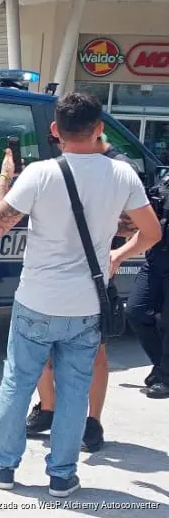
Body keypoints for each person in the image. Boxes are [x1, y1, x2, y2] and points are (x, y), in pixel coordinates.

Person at [0, 92, 161, 498]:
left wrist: (5, 176)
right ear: (99, 129)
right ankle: (62, 475)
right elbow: (151, 232)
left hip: (36, 300)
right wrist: (118, 255)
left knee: (18, 383)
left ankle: (4, 466)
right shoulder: (122, 175)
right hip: (86, 305)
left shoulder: (40, 173)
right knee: (75, 390)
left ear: (54, 130)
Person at [26, 138, 142, 451]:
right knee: (42, 349)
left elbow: (140, 226)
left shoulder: (117, 168)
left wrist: (117, 253)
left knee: (95, 355)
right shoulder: (55, 167)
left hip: (92, 277)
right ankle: (48, 409)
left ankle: (92, 422)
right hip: (52, 274)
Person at [125, 159, 169, 399]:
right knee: (135, 310)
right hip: (155, 259)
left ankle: (166, 377)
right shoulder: (165, 181)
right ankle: (162, 367)